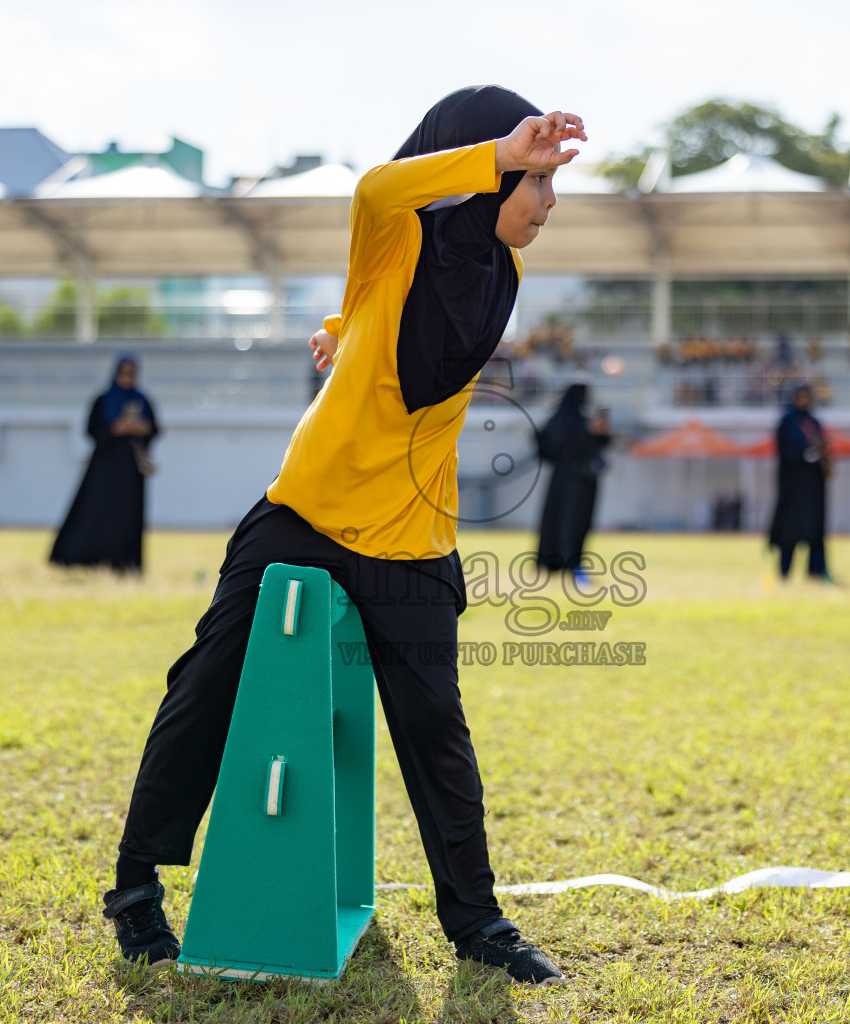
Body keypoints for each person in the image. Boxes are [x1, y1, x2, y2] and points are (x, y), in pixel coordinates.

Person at [102, 90, 583, 986]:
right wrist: (500, 150)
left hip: (408, 532)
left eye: (551, 185)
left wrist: (342, 331)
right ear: (489, 174)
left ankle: (478, 926)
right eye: (541, 184)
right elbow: (378, 198)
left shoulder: (500, 275)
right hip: (307, 514)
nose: (549, 204)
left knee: (435, 725)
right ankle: (135, 891)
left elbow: (397, 328)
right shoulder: (397, 232)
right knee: (206, 679)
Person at [49, 354, 158, 573]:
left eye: (132, 374)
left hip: (131, 470)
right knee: (95, 510)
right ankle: (85, 557)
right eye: (124, 373)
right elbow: (91, 430)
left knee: (128, 516)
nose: (127, 378)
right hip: (105, 466)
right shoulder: (103, 400)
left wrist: (140, 429)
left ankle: (125, 562)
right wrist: (115, 429)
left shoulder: (143, 400)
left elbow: (154, 428)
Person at [535, 383, 610, 575]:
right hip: (581, 481)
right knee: (575, 521)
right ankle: (571, 561)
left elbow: (541, 443)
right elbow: (594, 446)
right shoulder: (583, 424)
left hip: (559, 478)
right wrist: (594, 434)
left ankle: (550, 560)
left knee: (555, 518)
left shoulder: (556, 421)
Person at [768, 383, 831, 581]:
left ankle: (816, 571)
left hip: (814, 488)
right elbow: (786, 453)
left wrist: (822, 456)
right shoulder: (787, 422)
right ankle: (784, 572)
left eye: (808, 397)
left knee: (816, 533)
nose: (806, 401)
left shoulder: (814, 422)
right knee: (790, 533)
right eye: (802, 397)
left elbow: (822, 451)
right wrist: (808, 450)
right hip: (793, 488)